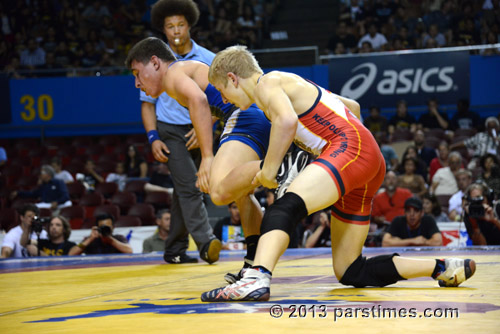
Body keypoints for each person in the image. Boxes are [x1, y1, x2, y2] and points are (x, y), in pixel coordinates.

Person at [200, 46, 475, 302]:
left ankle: (256, 278)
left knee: (284, 207)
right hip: (366, 160)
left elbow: (286, 121)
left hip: (351, 150)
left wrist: (269, 171)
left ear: (234, 78)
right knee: (350, 270)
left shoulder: (267, 83)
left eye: (222, 91)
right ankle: (442, 267)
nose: (224, 100)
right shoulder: (294, 84)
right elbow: (353, 107)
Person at [126, 36, 304, 277]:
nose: (137, 83)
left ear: (155, 62)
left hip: (244, 115)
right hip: (253, 114)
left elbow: (198, 100)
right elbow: (206, 99)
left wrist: (208, 157)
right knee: (241, 193)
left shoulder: (173, 73)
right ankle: (253, 262)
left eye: (138, 73)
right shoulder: (181, 73)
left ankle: (281, 167)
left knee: (218, 189)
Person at [138, 0, 220, 264]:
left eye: (180, 25)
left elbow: (220, 100)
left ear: (189, 26)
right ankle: (206, 243)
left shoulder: (207, 58)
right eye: (170, 26)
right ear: (163, 30)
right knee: (190, 186)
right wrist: (153, 137)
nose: (176, 31)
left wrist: (208, 127)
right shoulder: (154, 64)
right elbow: (147, 104)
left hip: (200, 129)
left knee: (185, 190)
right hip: (170, 130)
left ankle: (174, 250)